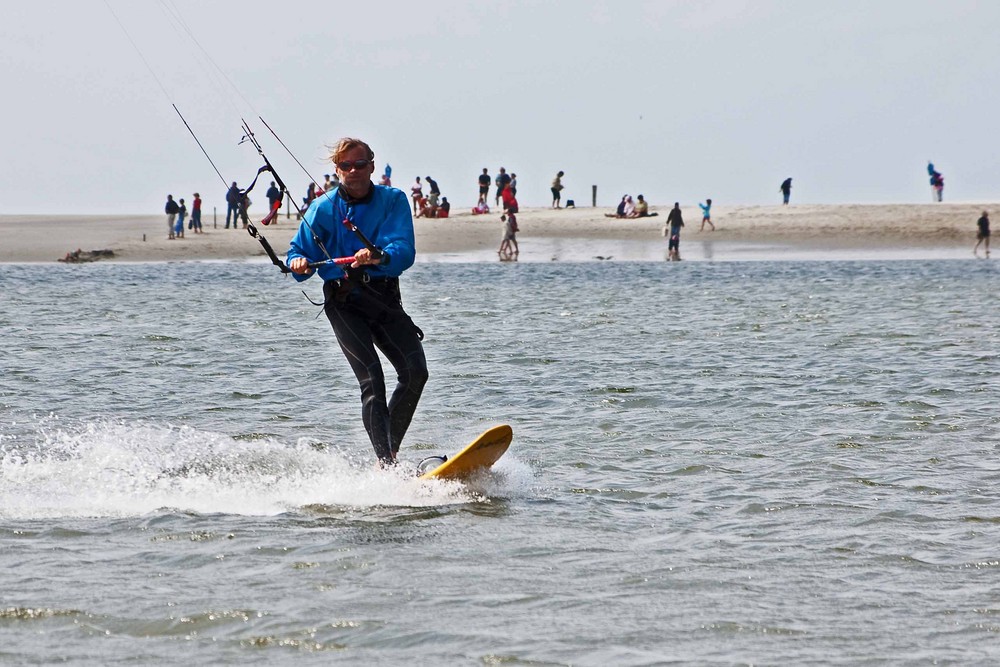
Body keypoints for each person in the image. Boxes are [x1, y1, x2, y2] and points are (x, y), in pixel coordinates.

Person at [286, 137, 426, 466]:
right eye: (345, 166)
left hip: (384, 298)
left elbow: (404, 250)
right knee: (372, 381)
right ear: (337, 170)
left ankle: (388, 452)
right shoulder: (322, 208)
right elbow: (297, 253)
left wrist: (378, 256)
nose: (353, 171)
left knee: (415, 372)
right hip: (345, 302)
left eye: (359, 165)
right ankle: (386, 462)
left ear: (371, 166)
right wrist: (298, 264)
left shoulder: (393, 200)